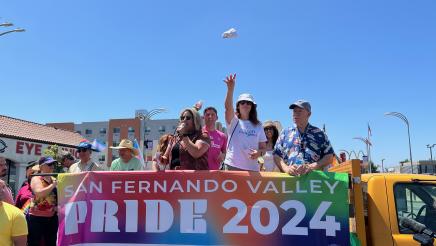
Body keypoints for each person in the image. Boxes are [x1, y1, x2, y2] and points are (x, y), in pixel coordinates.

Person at [273, 99, 334, 176]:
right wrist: (286, 168)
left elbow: (329, 156)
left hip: (313, 182)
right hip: (289, 181)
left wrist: (312, 166)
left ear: (309, 114)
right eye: (294, 111)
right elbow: (276, 155)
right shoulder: (285, 133)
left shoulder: (319, 133)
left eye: (299, 111)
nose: (296, 114)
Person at [222, 74, 267, 171]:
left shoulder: (258, 125)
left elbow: (264, 148)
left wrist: (259, 153)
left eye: (248, 103)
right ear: (238, 106)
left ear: (252, 106)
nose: (245, 104)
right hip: (231, 166)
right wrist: (230, 89)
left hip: (252, 169)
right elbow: (228, 107)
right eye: (242, 102)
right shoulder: (233, 121)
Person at [28, 156, 58, 246]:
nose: (52, 166)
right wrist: (53, 185)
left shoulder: (54, 179)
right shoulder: (36, 178)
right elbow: (39, 193)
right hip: (36, 218)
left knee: (51, 243)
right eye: (49, 164)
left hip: (52, 218)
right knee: (34, 243)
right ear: (41, 167)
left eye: (53, 164)